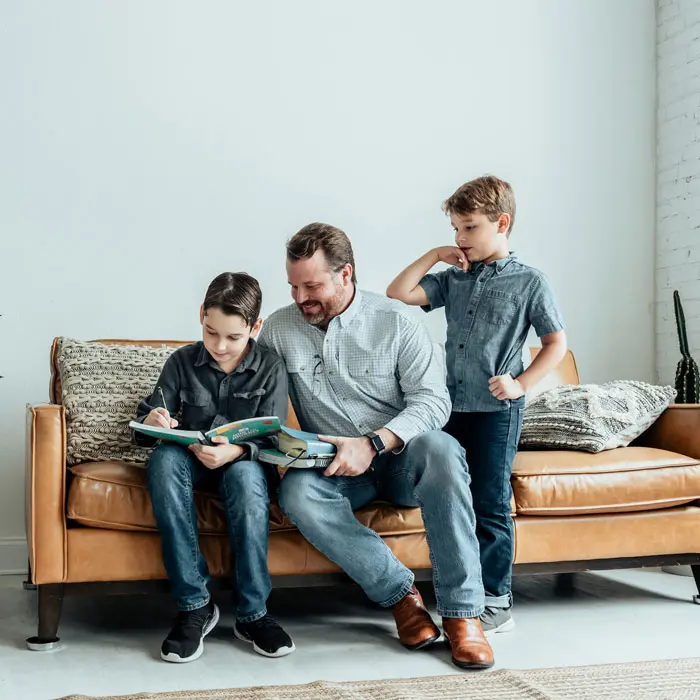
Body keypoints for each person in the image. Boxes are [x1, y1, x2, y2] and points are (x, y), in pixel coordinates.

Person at [258, 223, 494, 670]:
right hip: (335, 467)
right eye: (293, 286)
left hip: (402, 458)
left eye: (312, 286)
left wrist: (372, 443)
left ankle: (463, 615)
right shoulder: (278, 329)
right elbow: (260, 400)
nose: (300, 297)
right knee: (298, 493)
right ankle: (402, 598)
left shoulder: (396, 321)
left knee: (443, 449)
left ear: (345, 274)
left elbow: (434, 401)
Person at [387, 175, 567, 635]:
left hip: (495, 412)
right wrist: (436, 254)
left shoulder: (530, 282)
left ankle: (496, 600)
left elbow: (556, 344)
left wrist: (521, 384)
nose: (460, 237)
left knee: (489, 502)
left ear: (501, 223)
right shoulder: (454, 279)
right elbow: (398, 292)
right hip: (449, 408)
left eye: (469, 228)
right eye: (455, 228)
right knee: (454, 498)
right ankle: (463, 591)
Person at [134, 272, 295, 663]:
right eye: (211, 333)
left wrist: (236, 451)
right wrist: (154, 419)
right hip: (190, 461)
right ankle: (195, 606)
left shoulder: (271, 367)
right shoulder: (181, 362)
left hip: (242, 464)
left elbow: (274, 438)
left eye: (233, 337)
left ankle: (253, 614)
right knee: (163, 460)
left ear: (255, 327)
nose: (220, 346)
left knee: (246, 478)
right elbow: (148, 424)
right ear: (201, 315)